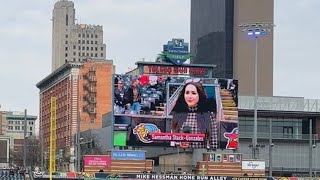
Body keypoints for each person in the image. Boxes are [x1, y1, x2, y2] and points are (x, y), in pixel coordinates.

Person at [171, 79, 218, 149]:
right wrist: (179, 143)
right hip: (179, 154)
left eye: (193, 93)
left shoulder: (208, 114)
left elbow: (214, 142)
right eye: (187, 93)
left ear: (200, 95)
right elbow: (172, 139)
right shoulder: (178, 113)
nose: (189, 96)